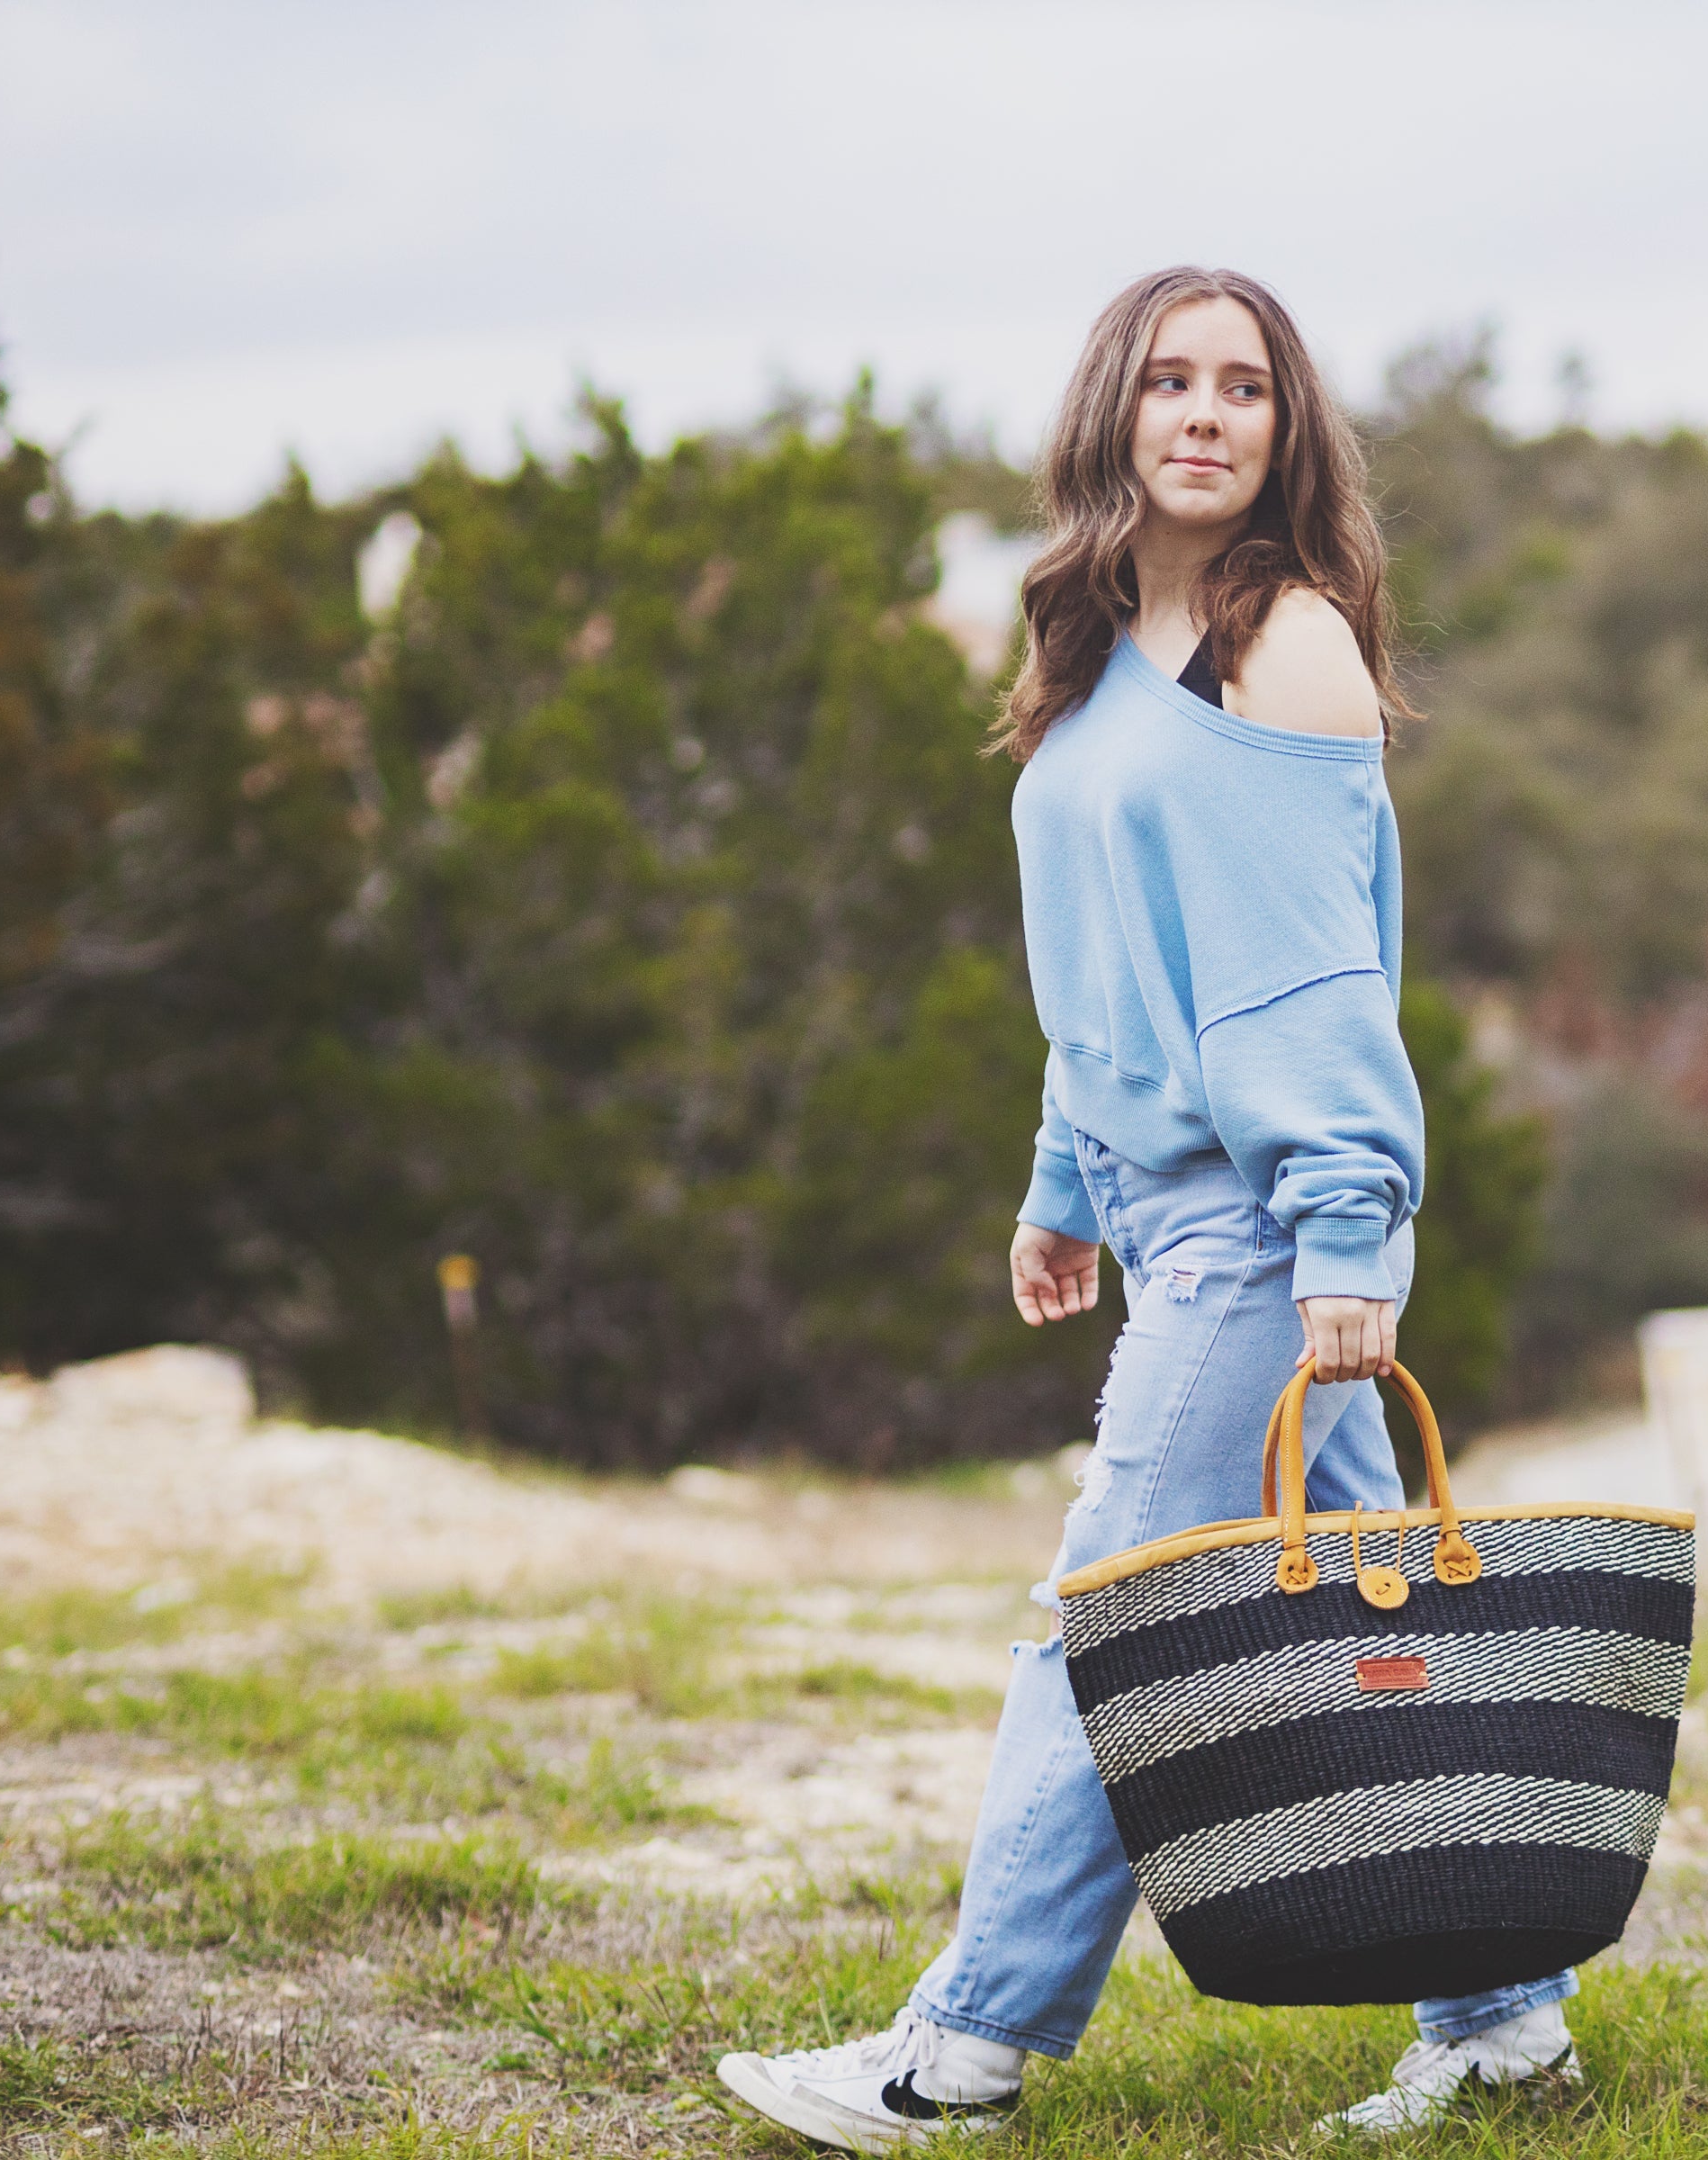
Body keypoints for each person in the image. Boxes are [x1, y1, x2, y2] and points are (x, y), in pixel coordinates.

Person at [711, 267, 1584, 2148]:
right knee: (1367, 1637)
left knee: (1105, 1619)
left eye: (1243, 387)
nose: (1204, 412)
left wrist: (1344, 1230)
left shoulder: (1285, 644)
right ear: (1114, 408)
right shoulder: (1095, 644)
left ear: (1286, 429)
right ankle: (1506, 2026)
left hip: (1267, 1228)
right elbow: (1106, 961)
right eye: (1171, 379)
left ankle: (963, 2053)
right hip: (1169, 1204)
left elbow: (1315, 982)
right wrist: (1062, 1181)